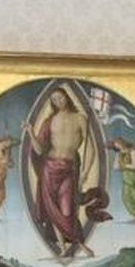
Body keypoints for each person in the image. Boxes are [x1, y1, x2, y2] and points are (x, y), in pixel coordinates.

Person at [28, 85, 110, 258]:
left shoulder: (80, 118)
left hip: (69, 169)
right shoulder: (49, 121)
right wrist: (30, 132)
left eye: (60, 97)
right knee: (53, 210)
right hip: (49, 168)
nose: (58, 101)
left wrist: (86, 174)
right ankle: (64, 248)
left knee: (67, 211)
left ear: (67, 97)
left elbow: (92, 151)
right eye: (54, 100)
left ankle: (80, 244)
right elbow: (39, 150)